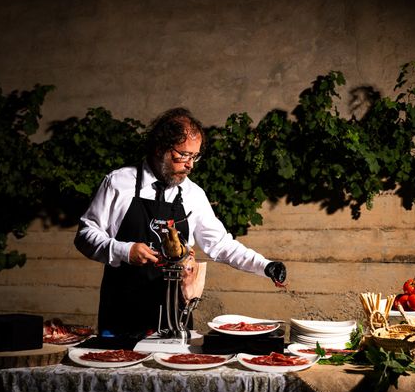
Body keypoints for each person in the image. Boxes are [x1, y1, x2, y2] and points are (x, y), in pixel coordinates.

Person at [74, 107, 287, 337]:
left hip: (174, 317)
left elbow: (222, 245)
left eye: (194, 156)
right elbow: (85, 235)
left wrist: (266, 266)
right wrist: (124, 250)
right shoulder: (118, 183)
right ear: (159, 147)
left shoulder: (193, 194)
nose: (190, 165)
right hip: (122, 315)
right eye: (183, 155)